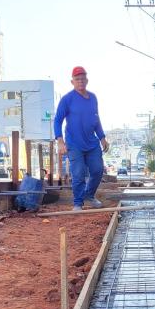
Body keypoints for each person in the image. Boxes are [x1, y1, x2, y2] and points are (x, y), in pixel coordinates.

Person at [54, 66, 109, 210]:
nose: (80, 81)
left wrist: (102, 137)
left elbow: (96, 119)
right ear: (72, 82)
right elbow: (57, 120)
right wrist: (60, 141)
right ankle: (78, 203)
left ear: (87, 80)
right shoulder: (67, 99)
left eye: (83, 79)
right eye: (77, 79)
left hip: (92, 143)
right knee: (78, 174)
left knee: (97, 170)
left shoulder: (93, 98)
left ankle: (89, 195)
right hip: (74, 144)